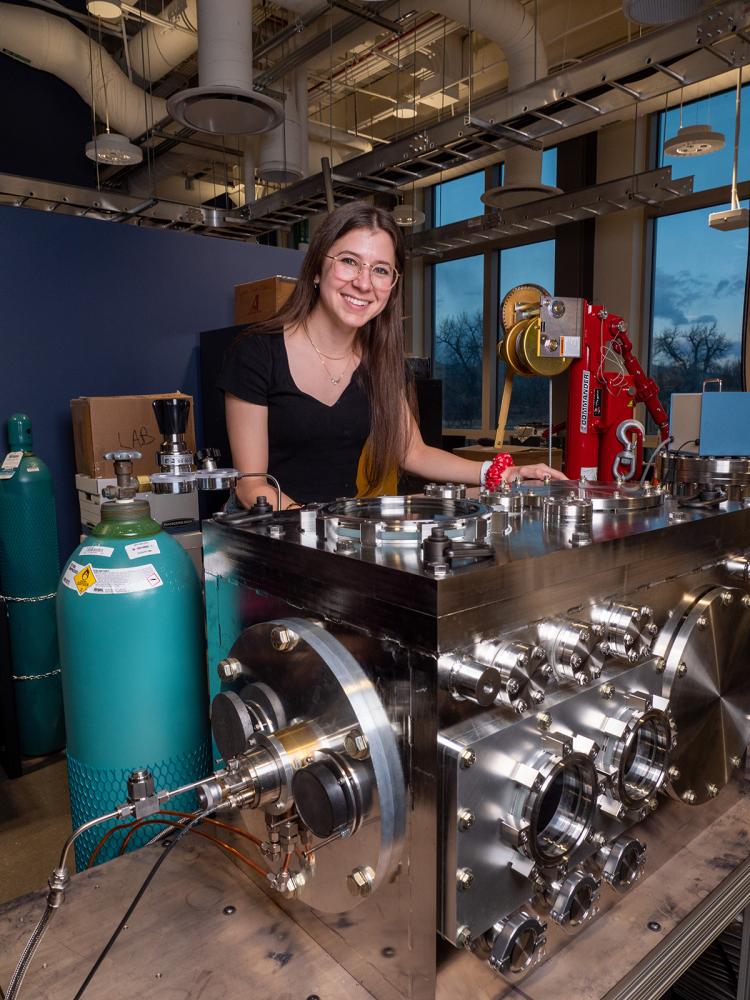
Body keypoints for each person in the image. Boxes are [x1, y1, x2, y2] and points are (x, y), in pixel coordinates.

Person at [219, 201, 565, 510]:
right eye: (349, 261)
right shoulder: (257, 353)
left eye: (380, 270)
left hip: (337, 536)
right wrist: (314, 531)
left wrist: (500, 472)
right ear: (316, 269)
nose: (364, 283)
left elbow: (412, 452)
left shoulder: (381, 365)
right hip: (270, 535)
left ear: (392, 285)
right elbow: (252, 485)